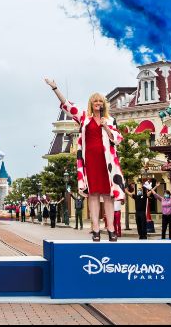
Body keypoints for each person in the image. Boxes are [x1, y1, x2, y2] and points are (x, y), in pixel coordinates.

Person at [45, 78, 124, 242]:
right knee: (93, 196)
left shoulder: (110, 120)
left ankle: (110, 229)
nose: (98, 103)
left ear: (104, 104)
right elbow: (68, 106)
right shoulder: (84, 118)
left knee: (108, 196)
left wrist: (105, 127)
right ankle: (95, 229)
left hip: (106, 162)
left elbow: (117, 139)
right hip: (91, 162)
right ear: (91, 103)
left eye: (100, 101)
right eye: (95, 101)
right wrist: (55, 88)